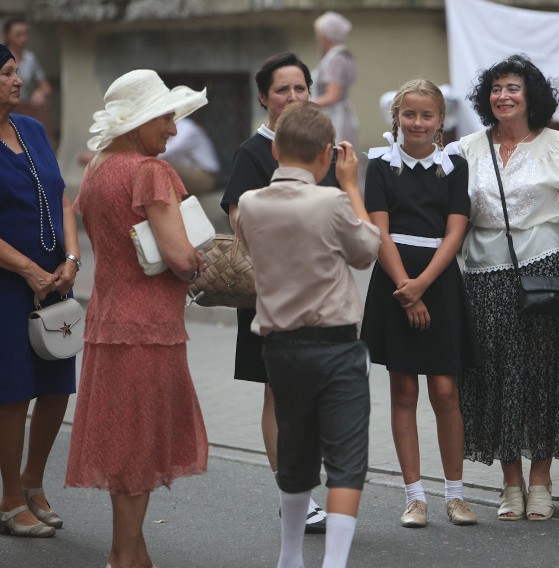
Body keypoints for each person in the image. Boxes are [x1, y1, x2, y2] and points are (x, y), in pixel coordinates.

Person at [65, 69, 209, 567]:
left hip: (107, 322)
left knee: (122, 444)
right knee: (141, 449)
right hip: (150, 327)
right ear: (140, 121)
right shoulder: (150, 172)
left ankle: (131, 552)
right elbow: (180, 257)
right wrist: (198, 261)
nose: (172, 128)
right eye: (166, 117)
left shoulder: (99, 167)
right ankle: (123, 558)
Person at [235, 101, 379, 568]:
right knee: (346, 457)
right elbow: (366, 251)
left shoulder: (251, 205)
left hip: (278, 346)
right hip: (333, 345)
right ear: (326, 154)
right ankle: (333, 564)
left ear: (275, 149)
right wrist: (352, 186)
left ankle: (289, 556)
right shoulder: (333, 200)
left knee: (295, 451)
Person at [457, 54, 559, 522]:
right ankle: (509, 481)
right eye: (496, 88)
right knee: (496, 380)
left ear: (530, 95)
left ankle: (541, 480)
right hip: (483, 278)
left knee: (542, 378)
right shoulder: (467, 148)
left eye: (512, 87)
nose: (503, 96)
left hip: (546, 274)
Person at [220, 51, 334, 533]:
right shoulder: (253, 152)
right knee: (280, 395)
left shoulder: (323, 147)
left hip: (322, 290)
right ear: (264, 97)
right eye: (282, 89)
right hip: (272, 291)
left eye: (300, 88)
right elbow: (240, 222)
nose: (292, 97)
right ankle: (295, 495)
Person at [361, 79, 479, 528]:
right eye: (408, 114)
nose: (417, 123)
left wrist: (424, 284)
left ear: (440, 121)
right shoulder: (379, 165)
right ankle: (414, 497)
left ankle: (456, 495)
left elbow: (456, 231)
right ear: (397, 118)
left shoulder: (455, 165)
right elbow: (378, 231)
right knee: (404, 389)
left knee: (445, 390)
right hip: (394, 279)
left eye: (426, 115)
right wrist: (405, 288)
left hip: (439, 279)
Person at [0, 44, 79, 539]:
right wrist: (29, 269)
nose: (17, 80)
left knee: (56, 388)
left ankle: (33, 480)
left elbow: (63, 197)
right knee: (12, 393)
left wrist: (71, 258)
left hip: (54, 283)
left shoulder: (32, 129)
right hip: (8, 285)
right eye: (6, 73)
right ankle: (8, 498)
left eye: (15, 72)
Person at [312, 11, 358, 147]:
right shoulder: (338, 56)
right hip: (335, 116)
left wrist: (305, 105)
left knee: (335, 158)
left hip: (335, 119)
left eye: (319, 33)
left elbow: (333, 96)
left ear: (325, 35)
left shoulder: (335, 59)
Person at [2, 17, 52, 140]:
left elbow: (46, 87)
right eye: (18, 35)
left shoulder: (30, 59)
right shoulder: (2, 56)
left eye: (26, 34)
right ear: (7, 35)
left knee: (41, 110)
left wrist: (40, 92)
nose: (23, 39)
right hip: (4, 105)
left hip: (22, 105)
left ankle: (44, 145)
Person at [159, 117, 220, 195]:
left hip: (205, 176)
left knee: (162, 165)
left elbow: (167, 151)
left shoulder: (187, 127)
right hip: (189, 172)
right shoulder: (167, 128)